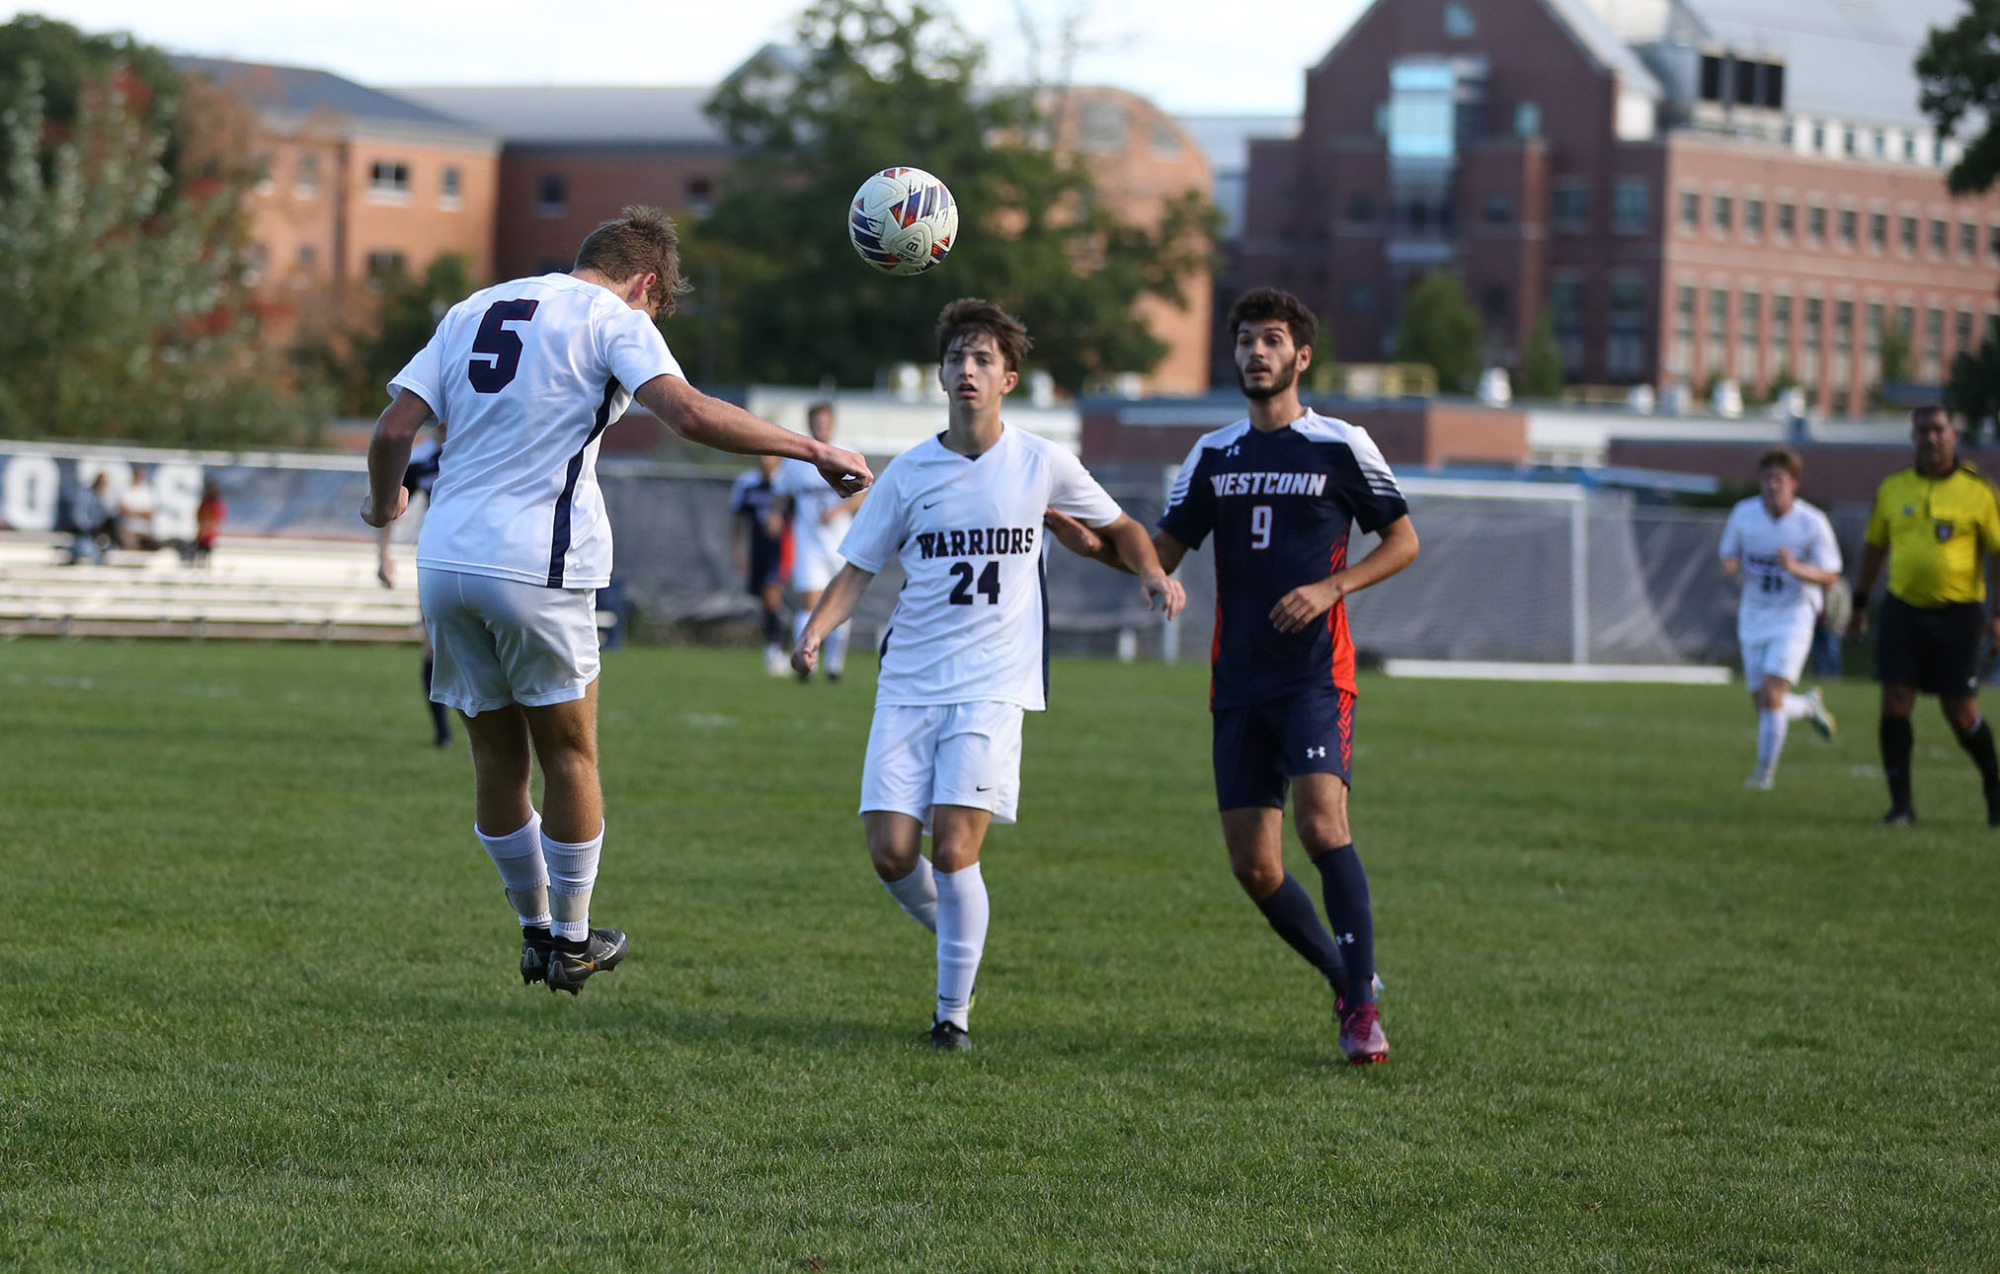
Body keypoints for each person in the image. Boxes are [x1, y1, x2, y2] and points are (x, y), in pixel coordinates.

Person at [362, 205, 871, 995]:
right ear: (646, 286)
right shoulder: (613, 316)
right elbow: (691, 412)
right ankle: (569, 939)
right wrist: (812, 448)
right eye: (660, 307)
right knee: (568, 752)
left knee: (496, 762)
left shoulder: (475, 306)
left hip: (448, 564)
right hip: (539, 563)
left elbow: (395, 428)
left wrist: (382, 500)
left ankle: (533, 932)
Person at [791, 298, 1183, 1050]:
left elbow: (1125, 529)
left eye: (982, 360)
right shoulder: (908, 474)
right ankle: (960, 937)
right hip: (907, 682)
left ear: (1009, 377)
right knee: (890, 853)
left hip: (993, 686)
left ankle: (951, 1015)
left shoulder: (1041, 462)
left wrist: (1152, 573)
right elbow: (858, 571)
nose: (967, 370)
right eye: (957, 358)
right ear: (939, 374)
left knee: (952, 850)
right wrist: (813, 630)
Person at [1046, 287, 1419, 1065]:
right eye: (1246, 339)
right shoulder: (1213, 456)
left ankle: (1360, 1008)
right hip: (1239, 681)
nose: (1256, 352)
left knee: (1322, 826)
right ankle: (1349, 980)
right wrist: (1090, 544)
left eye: (1272, 340)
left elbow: (1404, 541)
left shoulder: (1341, 443)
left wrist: (1331, 586)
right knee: (1254, 867)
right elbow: (1160, 552)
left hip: (1317, 675)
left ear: (1301, 357)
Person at [1850, 405, 2000, 826]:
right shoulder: (1894, 488)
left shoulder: (1979, 491)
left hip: (1959, 613)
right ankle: (1901, 807)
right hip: (1903, 610)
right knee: (1895, 702)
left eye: (1937, 430)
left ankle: (1994, 787)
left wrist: (1998, 615)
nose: (1930, 438)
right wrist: (1860, 603)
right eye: (1921, 431)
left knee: (1961, 712)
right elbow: (1876, 547)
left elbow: (1997, 554)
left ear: (1953, 434)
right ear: (1912, 437)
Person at [1717, 448, 1841, 789]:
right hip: (1754, 614)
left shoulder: (1811, 522)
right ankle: (1808, 706)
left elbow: (1830, 575)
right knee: (1765, 706)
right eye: (1767, 478)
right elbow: (1728, 552)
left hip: (1794, 615)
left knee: (1772, 695)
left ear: (1794, 484)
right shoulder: (1744, 514)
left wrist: (1796, 567)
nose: (1772, 486)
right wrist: (1729, 564)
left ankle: (1763, 776)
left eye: (1779, 479)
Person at [776, 401, 866, 682]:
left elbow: (862, 496)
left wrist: (837, 510)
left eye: (826, 422)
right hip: (809, 543)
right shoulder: (797, 458)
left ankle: (834, 667)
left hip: (840, 543)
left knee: (839, 605)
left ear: (833, 423)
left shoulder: (846, 452)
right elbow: (782, 494)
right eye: (817, 422)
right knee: (809, 604)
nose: (821, 427)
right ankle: (805, 660)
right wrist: (775, 516)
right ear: (810, 424)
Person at [377, 425, 453, 747]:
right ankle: (443, 733)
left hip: (487, 557)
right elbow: (389, 506)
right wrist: (383, 555)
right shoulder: (421, 457)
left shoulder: (480, 443)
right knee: (433, 648)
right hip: (437, 560)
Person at [730, 453, 791, 676]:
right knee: (766, 602)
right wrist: (737, 550)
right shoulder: (747, 484)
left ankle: (776, 649)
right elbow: (738, 520)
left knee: (772, 595)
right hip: (758, 550)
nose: (766, 460)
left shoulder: (786, 483)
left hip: (782, 550)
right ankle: (777, 643)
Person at [117, 467, 161, 551]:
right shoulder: (127, 490)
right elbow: (123, 510)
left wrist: (133, 512)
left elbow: (151, 513)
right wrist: (141, 513)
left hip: (146, 531)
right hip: (129, 531)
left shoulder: (149, 491)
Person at [189, 480, 225, 567]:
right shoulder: (205, 503)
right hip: (202, 534)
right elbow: (199, 515)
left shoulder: (216, 504)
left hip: (210, 535)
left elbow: (217, 518)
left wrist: (209, 527)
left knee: (209, 552)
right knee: (198, 551)